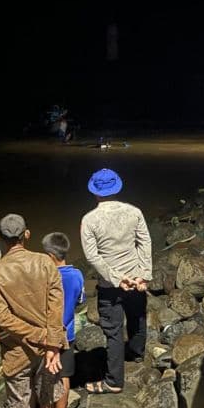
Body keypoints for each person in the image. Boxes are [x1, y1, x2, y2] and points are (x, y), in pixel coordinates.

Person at [0, 214, 66, 408]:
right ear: (26, 235)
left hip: (16, 350)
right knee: (46, 399)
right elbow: (56, 305)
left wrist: (39, 336)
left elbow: (4, 319)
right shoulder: (45, 262)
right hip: (48, 350)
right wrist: (51, 342)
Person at [80, 168, 152, 394]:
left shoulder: (90, 220)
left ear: (95, 192)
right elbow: (145, 243)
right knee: (137, 318)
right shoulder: (134, 212)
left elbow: (93, 256)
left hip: (111, 285)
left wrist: (115, 278)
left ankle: (113, 381)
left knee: (113, 332)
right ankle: (137, 354)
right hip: (136, 279)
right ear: (118, 187)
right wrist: (144, 274)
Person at [41, 232, 85, 408]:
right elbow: (79, 301)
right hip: (68, 334)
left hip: (49, 335)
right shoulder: (77, 275)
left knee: (46, 378)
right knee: (64, 376)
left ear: (50, 255)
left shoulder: (47, 277)